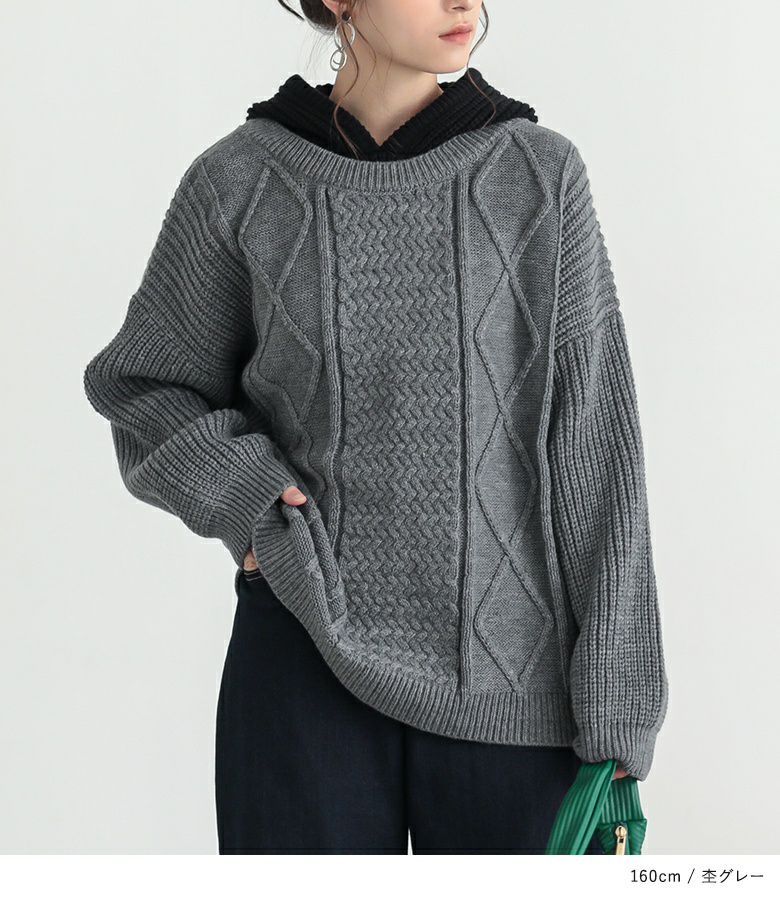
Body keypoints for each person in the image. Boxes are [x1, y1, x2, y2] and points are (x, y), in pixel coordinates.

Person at [82, 0, 669, 854]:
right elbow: (143, 383)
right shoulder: (239, 180)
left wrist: (620, 707)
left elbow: (596, 449)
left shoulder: (538, 176)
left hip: (512, 691)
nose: (464, 2)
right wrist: (251, 500)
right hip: (301, 660)